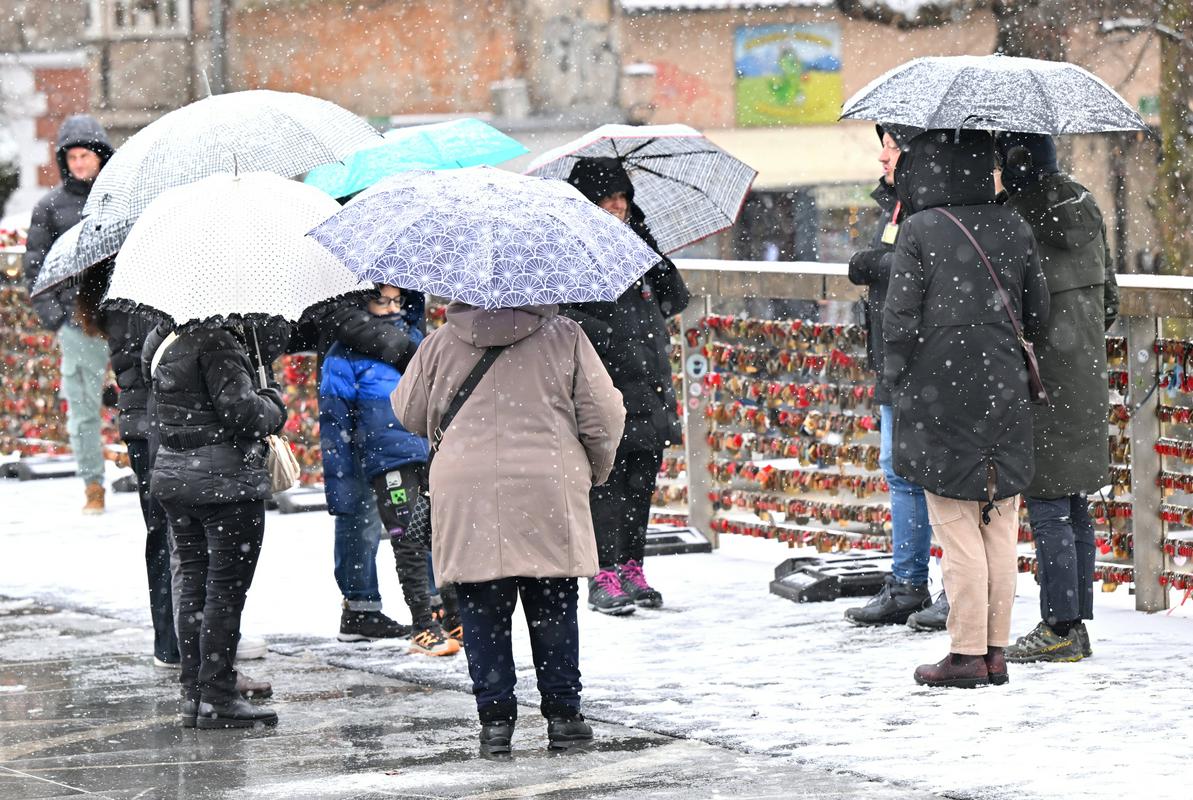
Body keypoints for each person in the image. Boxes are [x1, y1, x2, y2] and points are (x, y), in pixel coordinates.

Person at [392, 302, 625, 756]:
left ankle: (495, 723)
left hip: (467, 487)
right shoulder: (565, 336)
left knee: (481, 607)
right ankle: (564, 717)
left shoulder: (440, 343)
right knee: (553, 604)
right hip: (547, 483)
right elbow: (604, 414)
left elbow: (408, 411)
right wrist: (593, 468)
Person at [883, 129, 1049, 688]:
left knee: (956, 528)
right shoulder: (1014, 225)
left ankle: (966, 653)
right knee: (999, 524)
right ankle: (995, 651)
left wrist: (899, 378)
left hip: (940, 391)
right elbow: (1039, 313)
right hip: (1004, 387)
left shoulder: (919, 228)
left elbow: (898, 321)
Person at [996, 133, 1119, 664]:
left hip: (1042, 380)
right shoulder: (1086, 204)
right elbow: (1110, 301)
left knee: (1048, 503)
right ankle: (1075, 623)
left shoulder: (1014, 218)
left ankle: (1060, 626)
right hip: (1087, 374)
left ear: (1015, 162)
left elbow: (1012, 309)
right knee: (1074, 502)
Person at [560, 157, 689, 615]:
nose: (617, 206)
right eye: (608, 197)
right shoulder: (571, 250)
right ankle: (603, 573)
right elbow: (562, 317)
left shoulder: (636, 244)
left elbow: (676, 297)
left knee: (640, 482)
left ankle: (632, 565)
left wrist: (649, 248)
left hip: (649, 384)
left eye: (623, 197)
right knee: (606, 483)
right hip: (605, 387)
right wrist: (609, 336)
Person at [146, 320, 287, 728]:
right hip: (225, 483)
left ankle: (195, 694)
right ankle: (218, 695)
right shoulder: (217, 341)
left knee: (194, 585)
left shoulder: (160, 337)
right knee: (225, 592)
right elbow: (244, 413)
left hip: (177, 476)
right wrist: (273, 402)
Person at [844, 123, 949, 630]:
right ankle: (908, 583)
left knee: (943, 474)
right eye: (882, 147)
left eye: (890, 147)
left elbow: (921, 269)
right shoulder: (896, 205)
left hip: (929, 363)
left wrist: (875, 264)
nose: (882, 157)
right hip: (893, 361)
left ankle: (955, 587)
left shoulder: (935, 205)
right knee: (897, 469)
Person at [319, 284, 459, 655]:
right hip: (381, 458)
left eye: (397, 300)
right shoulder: (344, 356)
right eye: (382, 300)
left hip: (420, 451)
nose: (391, 308)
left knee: (435, 530)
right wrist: (341, 481)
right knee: (405, 536)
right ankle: (417, 620)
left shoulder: (417, 341)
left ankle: (446, 610)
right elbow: (335, 421)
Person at [75, 264, 179, 667]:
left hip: (142, 423)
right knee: (180, 532)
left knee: (163, 530)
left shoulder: (113, 283)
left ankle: (173, 639)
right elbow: (155, 361)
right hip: (162, 420)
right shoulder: (143, 282)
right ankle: (190, 638)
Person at [23, 115, 114, 514]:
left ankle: (149, 475)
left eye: (85, 155)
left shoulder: (119, 199)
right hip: (78, 325)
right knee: (83, 408)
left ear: (100, 157)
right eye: (72, 157)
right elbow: (35, 269)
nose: (79, 163)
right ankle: (93, 483)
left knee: (143, 404)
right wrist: (58, 319)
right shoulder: (49, 207)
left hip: (122, 318)